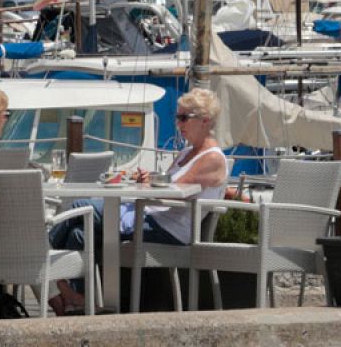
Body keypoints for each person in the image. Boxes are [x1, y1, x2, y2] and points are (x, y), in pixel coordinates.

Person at [48, 87, 229, 315]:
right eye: (177, 117)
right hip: (149, 215)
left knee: (78, 207)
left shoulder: (211, 158)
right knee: (78, 234)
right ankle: (79, 301)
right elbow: (164, 183)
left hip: (168, 228)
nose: (178, 124)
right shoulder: (186, 153)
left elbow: (175, 189)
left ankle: (46, 266)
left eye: (184, 118)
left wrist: (149, 184)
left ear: (205, 120)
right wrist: (149, 179)